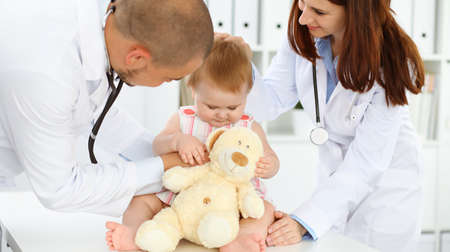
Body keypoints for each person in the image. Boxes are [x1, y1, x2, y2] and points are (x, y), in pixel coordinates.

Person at [235, 0, 424, 251]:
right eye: (303, 3)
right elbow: (268, 103)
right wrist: (240, 65)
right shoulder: (303, 35)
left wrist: (304, 220)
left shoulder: (391, 61)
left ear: (357, 12)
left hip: (385, 191)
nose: (303, 19)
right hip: (334, 179)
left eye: (319, 12)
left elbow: (367, 162)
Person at [0, 0, 213, 216]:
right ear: (137, 58)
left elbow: (92, 114)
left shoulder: (102, 26)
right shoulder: (48, 74)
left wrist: (172, 150)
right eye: (169, 78)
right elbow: (60, 189)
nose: (165, 83)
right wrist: (165, 168)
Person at [105, 38, 280, 252]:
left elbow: (270, 157)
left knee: (266, 210)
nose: (222, 114)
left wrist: (269, 165)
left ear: (247, 92)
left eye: (233, 106)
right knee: (140, 200)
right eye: (211, 106)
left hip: (231, 203)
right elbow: (157, 146)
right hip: (181, 198)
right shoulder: (184, 118)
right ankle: (133, 234)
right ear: (193, 88)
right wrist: (178, 140)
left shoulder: (248, 127)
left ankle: (238, 240)